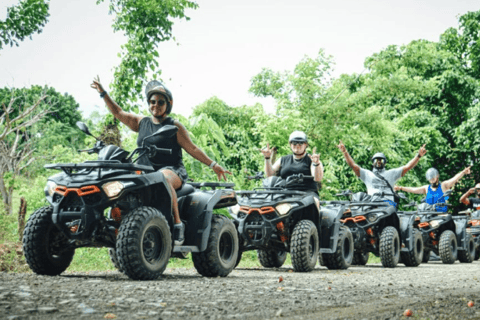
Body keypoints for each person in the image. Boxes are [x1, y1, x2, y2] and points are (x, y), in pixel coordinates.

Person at [91, 77, 231, 245]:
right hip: (145, 172)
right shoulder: (141, 122)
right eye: (152, 101)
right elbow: (118, 112)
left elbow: (192, 148)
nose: (155, 105)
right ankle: (116, 225)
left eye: (160, 102)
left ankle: (177, 225)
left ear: (167, 105)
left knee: (162, 177)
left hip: (172, 171)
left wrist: (213, 165)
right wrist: (103, 93)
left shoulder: (174, 126)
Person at [337, 141, 427, 206]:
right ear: (373, 162)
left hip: (388, 203)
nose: (379, 162)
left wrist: (418, 156)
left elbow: (408, 167)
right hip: (372, 203)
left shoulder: (392, 173)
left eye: (381, 160)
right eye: (376, 160)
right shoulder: (367, 174)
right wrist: (345, 152)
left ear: (385, 162)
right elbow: (353, 165)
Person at [260, 131, 323, 196]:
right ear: (290, 145)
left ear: (306, 145)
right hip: (285, 194)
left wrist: (316, 164)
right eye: (294, 143)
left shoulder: (312, 159)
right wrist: (267, 158)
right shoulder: (283, 159)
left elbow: (317, 178)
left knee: (314, 203)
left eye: (300, 143)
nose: (297, 146)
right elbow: (270, 176)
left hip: (308, 194)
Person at [395, 167, 471, 212]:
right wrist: (401, 188)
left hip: (441, 214)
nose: (432, 180)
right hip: (428, 214)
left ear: (437, 177)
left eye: (433, 178)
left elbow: (454, 179)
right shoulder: (426, 188)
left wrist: (463, 172)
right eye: (430, 179)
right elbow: (414, 189)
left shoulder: (444, 185)